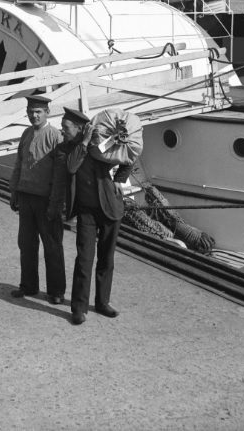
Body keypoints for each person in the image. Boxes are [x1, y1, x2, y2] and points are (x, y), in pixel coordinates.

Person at [58, 107, 136, 326]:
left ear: (79, 128)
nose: (62, 131)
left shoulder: (102, 144)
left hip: (110, 208)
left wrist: (120, 179)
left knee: (106, 258)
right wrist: (83, 143)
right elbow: (72, 167)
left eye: (65, 127)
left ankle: (102, 302)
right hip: (86, 211)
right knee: (84, 259)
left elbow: (129, 156)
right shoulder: (66, 149)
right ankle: (78, 308)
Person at [8, 93, 66, 304]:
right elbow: (18, 163)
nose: (34, 116)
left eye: (38, 112)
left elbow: (61, 174)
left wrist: (57, 203)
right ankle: (29, 286)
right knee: (26, 244)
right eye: (31, 112)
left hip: (46, 200)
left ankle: (56, 292)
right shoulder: (26, 134)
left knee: (52, 246)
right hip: (25, 198)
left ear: (47, 113)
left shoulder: (54, 136)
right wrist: (14, 190)